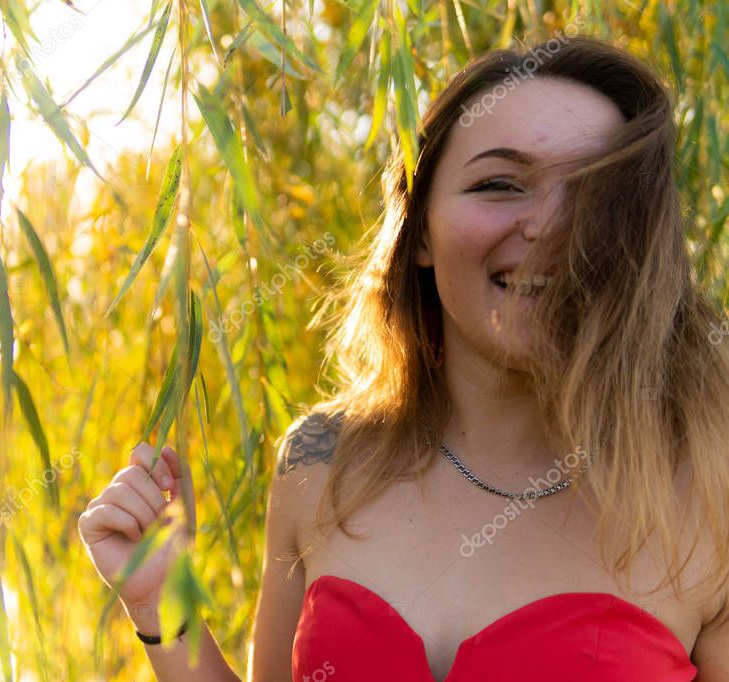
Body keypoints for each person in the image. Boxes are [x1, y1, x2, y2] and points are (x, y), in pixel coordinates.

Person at [78, 35, 729, 681]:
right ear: (418, 230)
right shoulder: (321, 462)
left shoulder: (708, 484)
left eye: (597, 193)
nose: (551, 226)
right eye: (500, 183)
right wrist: (164, 605)